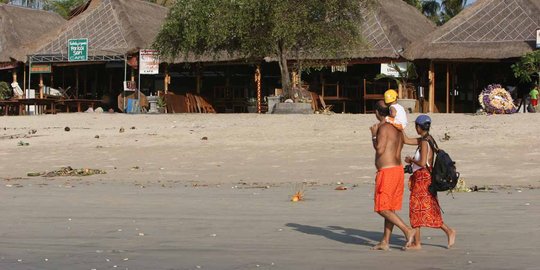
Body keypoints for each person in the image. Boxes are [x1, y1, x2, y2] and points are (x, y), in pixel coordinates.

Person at [403, 115, 456, 249]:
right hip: (423, 179)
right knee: (423, 210)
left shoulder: (425, 142)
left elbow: (422, 162)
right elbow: (406, 140)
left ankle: (448, 231)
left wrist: (411, 160)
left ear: (419, 127)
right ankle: (418, 242)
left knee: (419, 210)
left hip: (423, 180)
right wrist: (398, 125)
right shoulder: (426, 139)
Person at [370, 100, 415, 251]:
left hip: (387, 172)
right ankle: (385, 241)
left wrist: (374, 135)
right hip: (398, 170)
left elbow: (380, 149)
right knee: (390, 208)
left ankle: (407, 230)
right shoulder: (398, 127)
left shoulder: (383, 127)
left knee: (382, 208)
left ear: (377, 113)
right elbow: (407, 141)